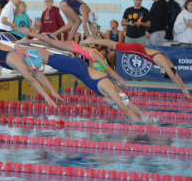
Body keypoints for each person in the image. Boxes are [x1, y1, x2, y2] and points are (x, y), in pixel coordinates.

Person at [13, 40, 147, 123]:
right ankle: (21, 46)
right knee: (47, 54)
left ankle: (22, 45)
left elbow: (127, 106)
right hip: (77, 66)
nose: (110, 105)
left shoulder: (113, 89)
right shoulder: (110, 89)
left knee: (47, 53)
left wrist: (147, 122)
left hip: (79, 66)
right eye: (113, 104)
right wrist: (142, 124)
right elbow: (125, 107)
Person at [81, 37, 191, 98]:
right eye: (163, 73)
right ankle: (91, 40)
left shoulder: (169, 64)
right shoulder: (164, 63)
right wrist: (182, 89)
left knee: (112, 44)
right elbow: (173, 77)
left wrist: (185, 89)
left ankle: (92, 40)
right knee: (112, 44)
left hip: (138, 49)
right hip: (137, 49)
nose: (161, 71)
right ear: (166, 71)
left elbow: (176, 75)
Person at [17, 30, 127, 89]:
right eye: (97, 67)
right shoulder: (98, 57)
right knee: (50, 42)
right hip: (73, 47)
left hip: (73, 48)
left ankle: (28, 41)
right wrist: (121, 79)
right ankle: (29, 36)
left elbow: (108, 72)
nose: (95, 67)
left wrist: (119, 80)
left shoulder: (96, 59)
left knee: (50, 45)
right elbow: (109, 70)